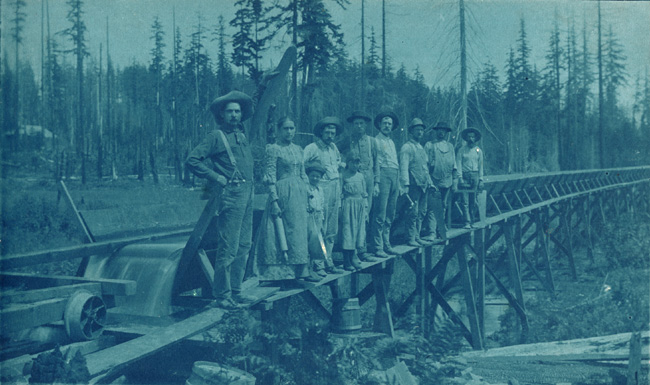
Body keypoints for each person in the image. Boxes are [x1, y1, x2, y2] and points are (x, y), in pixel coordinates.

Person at [186, 90, 256, 310]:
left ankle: (236, 291)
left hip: (248, 193)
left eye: (237, 111)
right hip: (232, 195)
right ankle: (222, 295)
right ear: (222, 115)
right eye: (230, 112)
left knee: (244, 245)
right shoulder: (216, 137)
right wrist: (216, 177)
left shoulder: (242, 135)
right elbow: (193, 160)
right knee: (229, 247)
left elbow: (257, 102)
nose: (234, 115)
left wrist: (262, 86)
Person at [257, 117, 319, 283]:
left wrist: (309, 195)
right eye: (285, 128)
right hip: (283, 192)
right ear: (278, 130)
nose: (289, 132)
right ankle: (284, 272)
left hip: (299, 193)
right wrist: (274, 200)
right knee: (285, 231)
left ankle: (302, 269)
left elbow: (303, 174)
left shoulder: (299, 149)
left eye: (292, 128)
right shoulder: (273, 149)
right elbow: (270, 176)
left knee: (301, 231)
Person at [303, 117, 346, 273]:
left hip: (335, 188)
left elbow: (338, 162)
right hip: (320, 189)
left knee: (332, 229)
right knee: (319, 227)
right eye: (327, 132)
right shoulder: (312, 148)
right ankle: (318, 264)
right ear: (321, 132)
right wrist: (308, 188)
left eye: (332, 132)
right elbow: (302, 166)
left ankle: (329, 261)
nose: (330, 135)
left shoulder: (334, 148)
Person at [338, 111, 380, 262]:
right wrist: (342, 163)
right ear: (352, 125)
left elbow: (376, 163)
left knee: (365, 214)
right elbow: (337, 152)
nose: (359, 126)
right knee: (351, 216)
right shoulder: (347, 140)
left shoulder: (372, 141)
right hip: (350, 179)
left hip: (367, 179)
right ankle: (352, 251)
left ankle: (362, 249)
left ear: (366, 125)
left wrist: (376, 183)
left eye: (362, 123)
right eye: (356, 123)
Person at [371, 111, 400, 258]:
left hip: (394, 176)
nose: (387, 126)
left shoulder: (392, 142)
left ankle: (386, 243)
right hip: (382, 175)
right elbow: (376, 164)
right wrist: (376, 182)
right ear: (379, 125)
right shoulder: (376, 141)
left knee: (390, 213)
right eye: (384, 123)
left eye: (389, 124)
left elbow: (396, 163)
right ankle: (377, 246)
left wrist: (399, 182)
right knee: (380, 213)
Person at [399, 118, 433, 247]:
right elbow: (404, 167)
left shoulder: (421, 148)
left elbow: (425, 167)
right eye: (417, 130)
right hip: (413, 185)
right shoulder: (407, 147)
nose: (419, 132)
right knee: (412, 212)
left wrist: (430, 181)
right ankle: (410, 237)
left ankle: (417, 236)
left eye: (421, 130)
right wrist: (405, 184)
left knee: (422, 212)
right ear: (411, 131)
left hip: (424, 185)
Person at [423, 122, 458, 240]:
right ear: (436, 131)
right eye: (439, 130)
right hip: (434, 180)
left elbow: (454, 165)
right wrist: (429, 181)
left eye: (444, 130)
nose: (441, 132)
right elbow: (424, 165)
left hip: (447, 181)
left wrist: (455, 181)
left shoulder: (450, 146)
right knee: (433, 207)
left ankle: (440, 230)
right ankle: (432, 232)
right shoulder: (429, 145)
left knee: (443, 205)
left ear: (446, 132)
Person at [340, 151, 368, 271]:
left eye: (357, 163)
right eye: (353, 163)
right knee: (348, 232)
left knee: (357, 232)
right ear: (348, 163)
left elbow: (364, 193)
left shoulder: (361, 176)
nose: (355, 165)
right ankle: (346, 261)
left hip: (359, 205)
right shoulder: (343, 176)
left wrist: (365, 209)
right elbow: (340, 193)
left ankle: (353, 258)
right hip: (348, 205)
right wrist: (341, 209)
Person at [305, 160, 330, 277]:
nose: (315, 179)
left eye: (318, 177)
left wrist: (323, 222)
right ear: (308, 176)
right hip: (310, 217)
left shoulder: (320, 190)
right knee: (311, 242)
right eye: (313, 176)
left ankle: (320, 266)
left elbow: (322, 205)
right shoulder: (306, 189)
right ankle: (309, 268)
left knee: (321, 242)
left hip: (319, 216)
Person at [456, 127, 484, 229]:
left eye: (473, 137)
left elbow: (480, 165)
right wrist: (460, 177)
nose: (471, 139)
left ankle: (472, 221)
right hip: (464, 175)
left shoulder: (478, 151)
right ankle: (466, 222)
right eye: (469, 137)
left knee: (473, 200)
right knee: (465, 201)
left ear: (475, 138)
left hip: (475, 176)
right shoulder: (462, 150)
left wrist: (481, 179)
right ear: (466, 138)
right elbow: (458, 163)